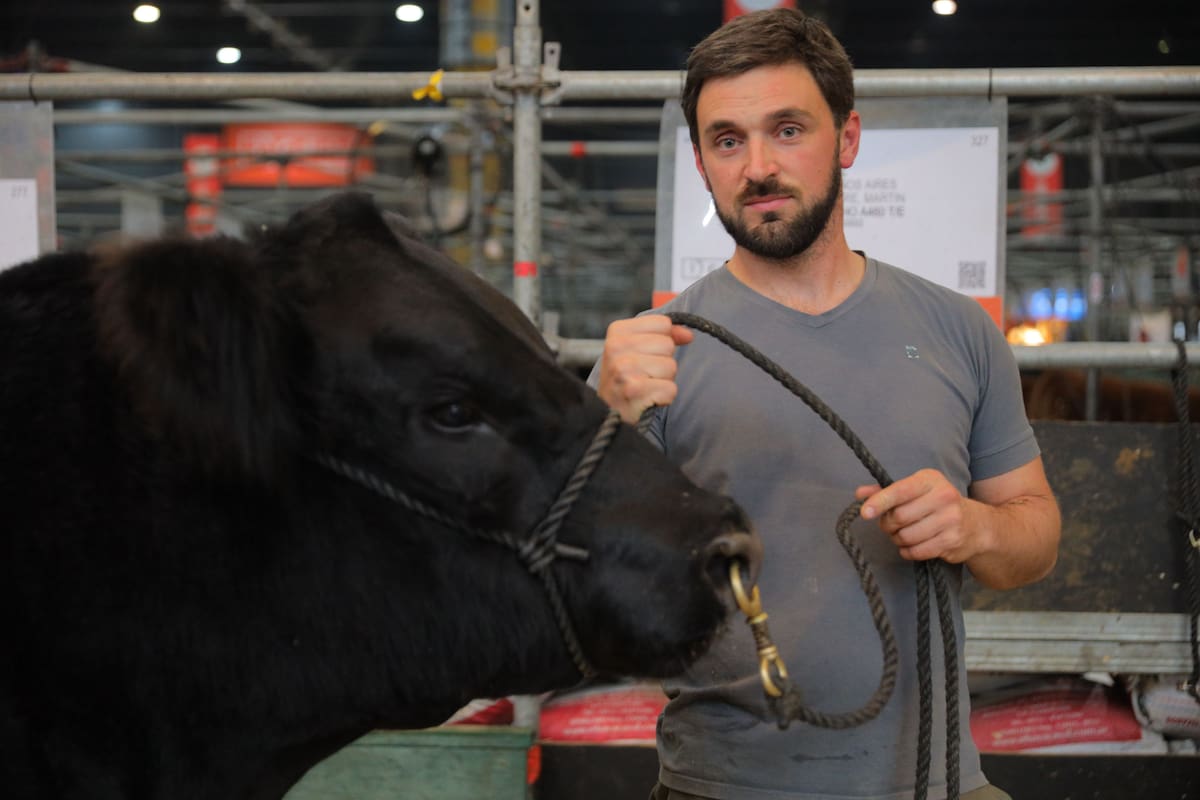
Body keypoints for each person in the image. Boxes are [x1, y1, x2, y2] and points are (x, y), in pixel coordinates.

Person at [590, 8, 1061, 800]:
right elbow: (587, 595)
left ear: (846, 140)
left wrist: (976, 527)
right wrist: (600, 424)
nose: (758, 167)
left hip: (933, 780)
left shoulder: (957, 330)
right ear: (702, 164)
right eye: (727, 140)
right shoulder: (655, 360)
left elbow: (1036, 538)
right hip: (721, 784)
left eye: (788, 130)